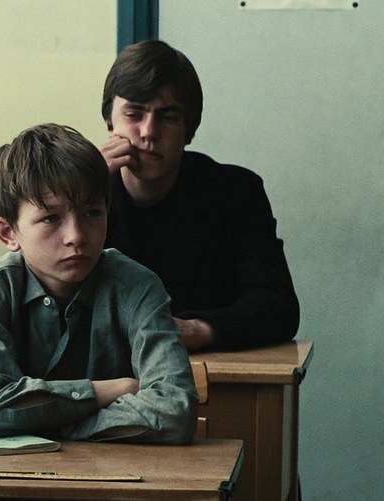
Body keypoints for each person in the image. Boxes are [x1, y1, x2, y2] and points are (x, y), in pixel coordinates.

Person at [0, 124, 198, 443]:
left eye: (92, 213)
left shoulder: (137, 286)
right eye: (51, 218)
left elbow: (175, 412)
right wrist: (108, 390)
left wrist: (49, 426)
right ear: (8, 232)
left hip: (118, 471)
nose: (76, 236)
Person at [99, 39, 300, 352]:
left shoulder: (236, 192)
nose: (149, 132)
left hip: (208, 369)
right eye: (134, 114)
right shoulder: (82, 193)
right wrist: (82, 184)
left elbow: (278, 306)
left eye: (168, 117)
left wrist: (196, 330)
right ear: (110, 121)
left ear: (189, 129)